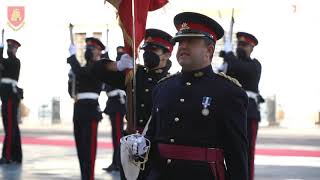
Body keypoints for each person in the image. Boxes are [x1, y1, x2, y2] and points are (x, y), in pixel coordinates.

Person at [144, 12, 249, 180]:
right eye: (180, 42)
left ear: (209, 50)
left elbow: (237, 154)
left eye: (191, 41)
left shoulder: (228, 92)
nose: (183, 46)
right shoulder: (163, 88)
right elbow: (152, 140)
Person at [92, 28, 173, 133]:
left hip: (156, 140)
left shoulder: (171, 81)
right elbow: (96, 70)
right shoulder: (135, 74)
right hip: (132, 138)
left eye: (153, 50)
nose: (148, 54)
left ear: (166, 55)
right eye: (146, 50)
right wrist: (117, 65)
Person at [220, 32, 263, 180]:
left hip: (248, 113)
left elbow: (241, 69)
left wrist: (228, 54)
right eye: (239, 44)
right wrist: (224, 62)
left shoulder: (255, 65)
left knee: (247, 153)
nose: (240, 47)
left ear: (251, 48)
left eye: (244, 45)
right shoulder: (230, 63)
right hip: (228, 111)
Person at [67, 37, 104, 180]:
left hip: (91, 110)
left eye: (92, 49)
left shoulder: (99, 67)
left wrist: (72, 58)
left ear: (99, 52)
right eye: (88, 48)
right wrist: (70, 79)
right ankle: (84, 176)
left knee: (89, 149)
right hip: (79, 109)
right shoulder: (79, 69)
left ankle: (89, 177)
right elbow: (72, 92)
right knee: (80, 148)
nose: (89, 51)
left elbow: (86, 74)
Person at [102, 47, 127, 172]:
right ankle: (115, 161)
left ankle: (118, 162)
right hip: (114, 105)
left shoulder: (120, 72)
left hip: (117, 105)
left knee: (117, 135)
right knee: (116, 135)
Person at [0, 39, 23, 164]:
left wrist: (1, 50)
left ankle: (7, 155)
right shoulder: (6, 61)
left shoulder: (15, 62)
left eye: (11, 48)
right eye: (8, 47)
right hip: (5, 97)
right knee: (11, 126)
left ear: (16, 49)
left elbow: (4, 63)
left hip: (10, 97)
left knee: (10, 127)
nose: (10, 50)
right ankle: (16, 155)